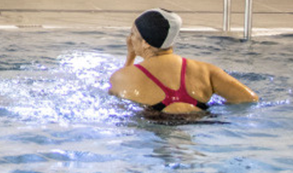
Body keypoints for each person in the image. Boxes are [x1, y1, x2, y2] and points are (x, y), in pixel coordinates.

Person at [108, 8, 258, 114]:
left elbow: (118, 104)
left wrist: (130, 58)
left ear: (146, 42)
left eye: (132, 33)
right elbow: (249, 99)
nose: (129, 39)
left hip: (153, 124)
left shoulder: (122, 76)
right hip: (201, 121)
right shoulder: (206, 71)